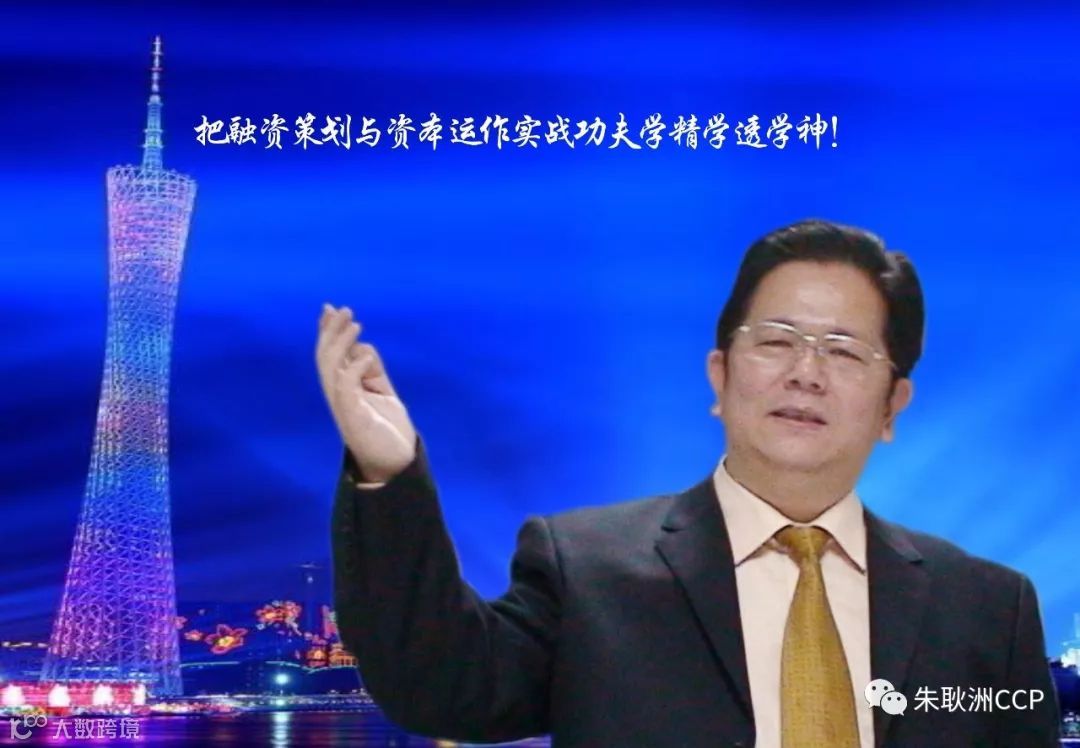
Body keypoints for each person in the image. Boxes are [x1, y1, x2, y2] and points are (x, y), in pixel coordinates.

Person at [317, 219, 1060, 747]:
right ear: (720, 375)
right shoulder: (587, 572)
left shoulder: (990, 612)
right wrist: (390, 473)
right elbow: (443, 688)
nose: (805, 372)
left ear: (893, 404)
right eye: (777, 341)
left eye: (842, 351)